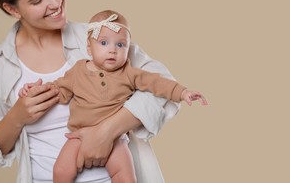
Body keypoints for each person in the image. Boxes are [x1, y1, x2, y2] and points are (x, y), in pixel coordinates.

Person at [0, 0, 183, 183]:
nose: (54, 3)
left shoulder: (98, 38)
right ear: (12, 9)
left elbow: (162, 84)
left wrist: (107, 131)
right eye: (38, 0)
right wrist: (17, 117)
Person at [19, 10, 208, 182]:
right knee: (60, 171)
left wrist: (183, 92)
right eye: (103, 43)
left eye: (120, 44)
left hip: (116, 140)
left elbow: (157, 83)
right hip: (78, 137)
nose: (112, 50)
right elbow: (58, 89)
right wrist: (35, 91)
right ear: (89, 46)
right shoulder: (78, 71)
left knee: (126, 176)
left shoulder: (129, 73)